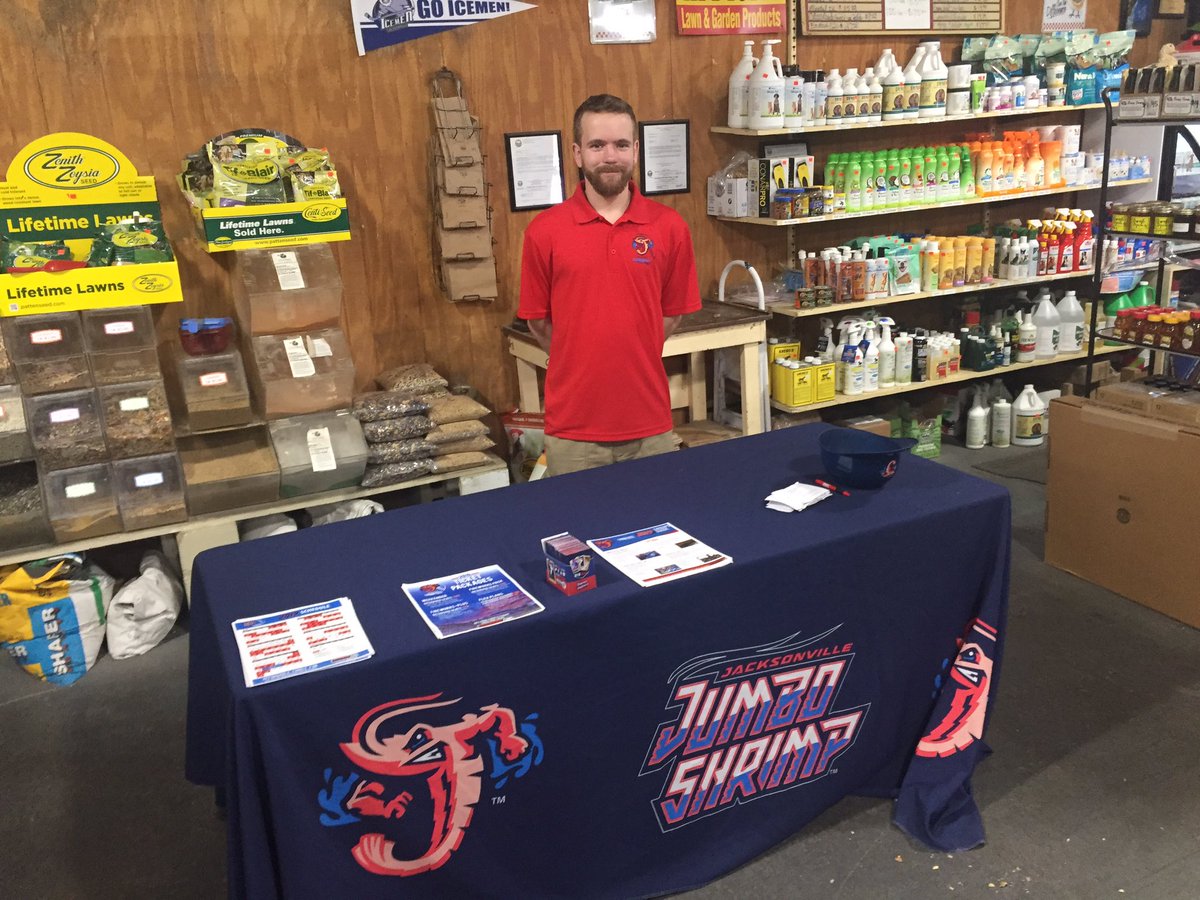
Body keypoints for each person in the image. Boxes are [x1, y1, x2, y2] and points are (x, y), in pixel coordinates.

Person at [517, 94, 701, 477]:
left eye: (620, 144)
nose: (610, 156)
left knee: (659, 531)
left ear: (635, 150)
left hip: (649, 424)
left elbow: (672, 314)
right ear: (577, 153)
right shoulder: (544, 232)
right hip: (574, 431)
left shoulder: (669, 228)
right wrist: (581, 358)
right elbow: (539, 322)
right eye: (597, 145)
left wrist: (632, 349)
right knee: (578, 533)